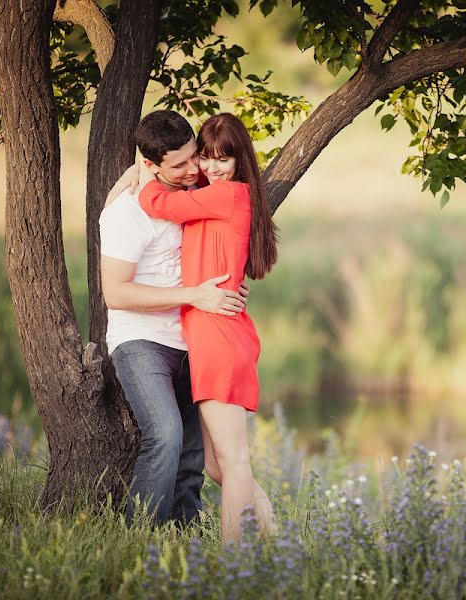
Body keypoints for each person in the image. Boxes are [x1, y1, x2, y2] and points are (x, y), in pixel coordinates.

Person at [99, 109, 249, 526]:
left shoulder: (199, 188)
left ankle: (186, 542)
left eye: (194, 157)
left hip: (193, 338)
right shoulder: (127, 212)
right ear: (151, 165)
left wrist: (229, 284)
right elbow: (115, 293)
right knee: (164, 435)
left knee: (192, 455)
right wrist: (196, 296)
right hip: (142, 340)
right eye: (180, 164)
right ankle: (139, 538)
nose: (193, 170)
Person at [135, 112, 278, 544]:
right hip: (213, 332)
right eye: (206, 158)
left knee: (234, 463)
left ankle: (234, 561)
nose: (212, 168)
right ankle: (277, 538)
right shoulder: (215, 195)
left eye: (223, 159)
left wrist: (144, 169)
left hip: (218, 337)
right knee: (219, 466)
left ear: (239, 162)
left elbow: (156, 202)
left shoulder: (230, 195)